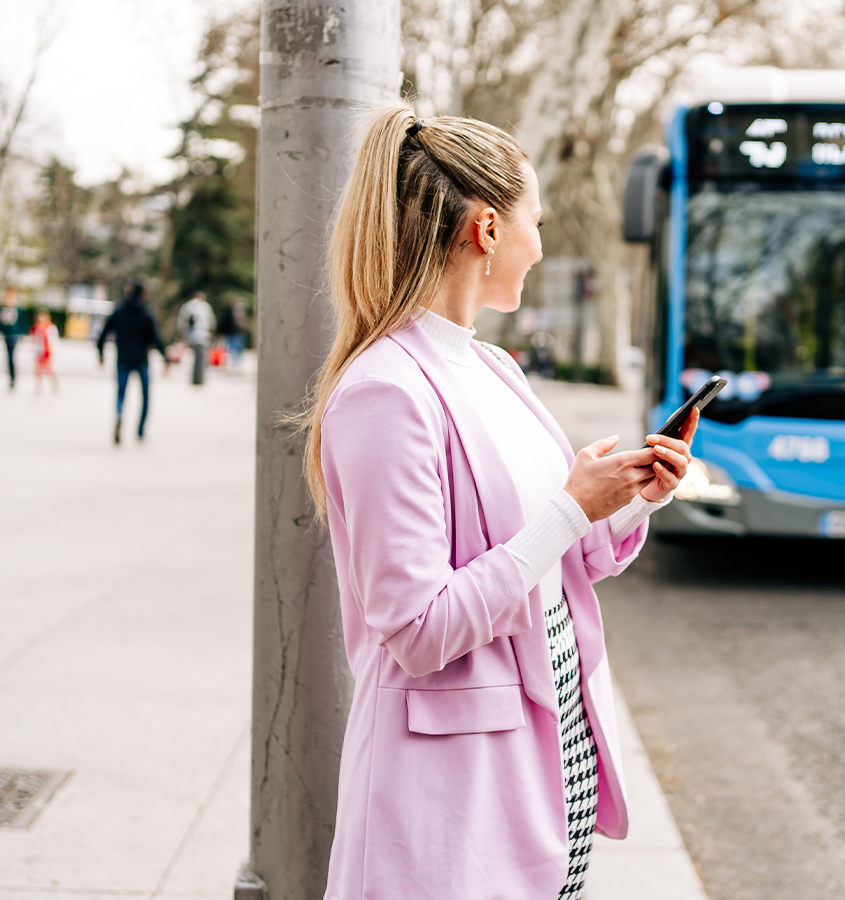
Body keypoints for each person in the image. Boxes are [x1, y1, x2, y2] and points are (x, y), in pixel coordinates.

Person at [305, 105, 696, 900]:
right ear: (486, 228)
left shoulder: (493, 369)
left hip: (546, 764)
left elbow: (558, 558)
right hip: (450, 789)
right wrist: (566, 510)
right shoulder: (385, 392)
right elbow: (417, 629)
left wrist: (626, 501)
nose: (541, 243)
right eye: (535, 220)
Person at [96, 282, 167, 444]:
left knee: (121, 394)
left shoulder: (120, 311)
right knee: (145, 396)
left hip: (123, 359)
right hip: (142, 360)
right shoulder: (147, 313)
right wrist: (165, 357)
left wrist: (100, 351)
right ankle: (140, 430)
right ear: (143, 294)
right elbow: (156, 337)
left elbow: (105, 332)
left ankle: (120, 415)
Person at [178, 290, 215, 385]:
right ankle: (200, 379)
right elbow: (211, 321)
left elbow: (182, 321)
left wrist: (183, 334)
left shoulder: (188, 306)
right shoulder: (205, 306)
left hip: (191, 335)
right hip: (203, 334)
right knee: (201, 358)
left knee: (193, 358)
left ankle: (194, 379)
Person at [0, 286, 26, 390]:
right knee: (8, 356)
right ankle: (11, 377)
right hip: (6, 334)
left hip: (14, 334)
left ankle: (13, 377)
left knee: (12, 355)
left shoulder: (17, 309)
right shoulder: (3, 309)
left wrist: (23, 334)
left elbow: (22, 322)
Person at [32, 308, 59, 394]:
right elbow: (35, 340)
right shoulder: (37, 327)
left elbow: (53, 340)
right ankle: (38, 386)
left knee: (48, 369)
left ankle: (53, 383)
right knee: (38, 370)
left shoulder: (50, 327)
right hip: (39, 351)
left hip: (47, 351)